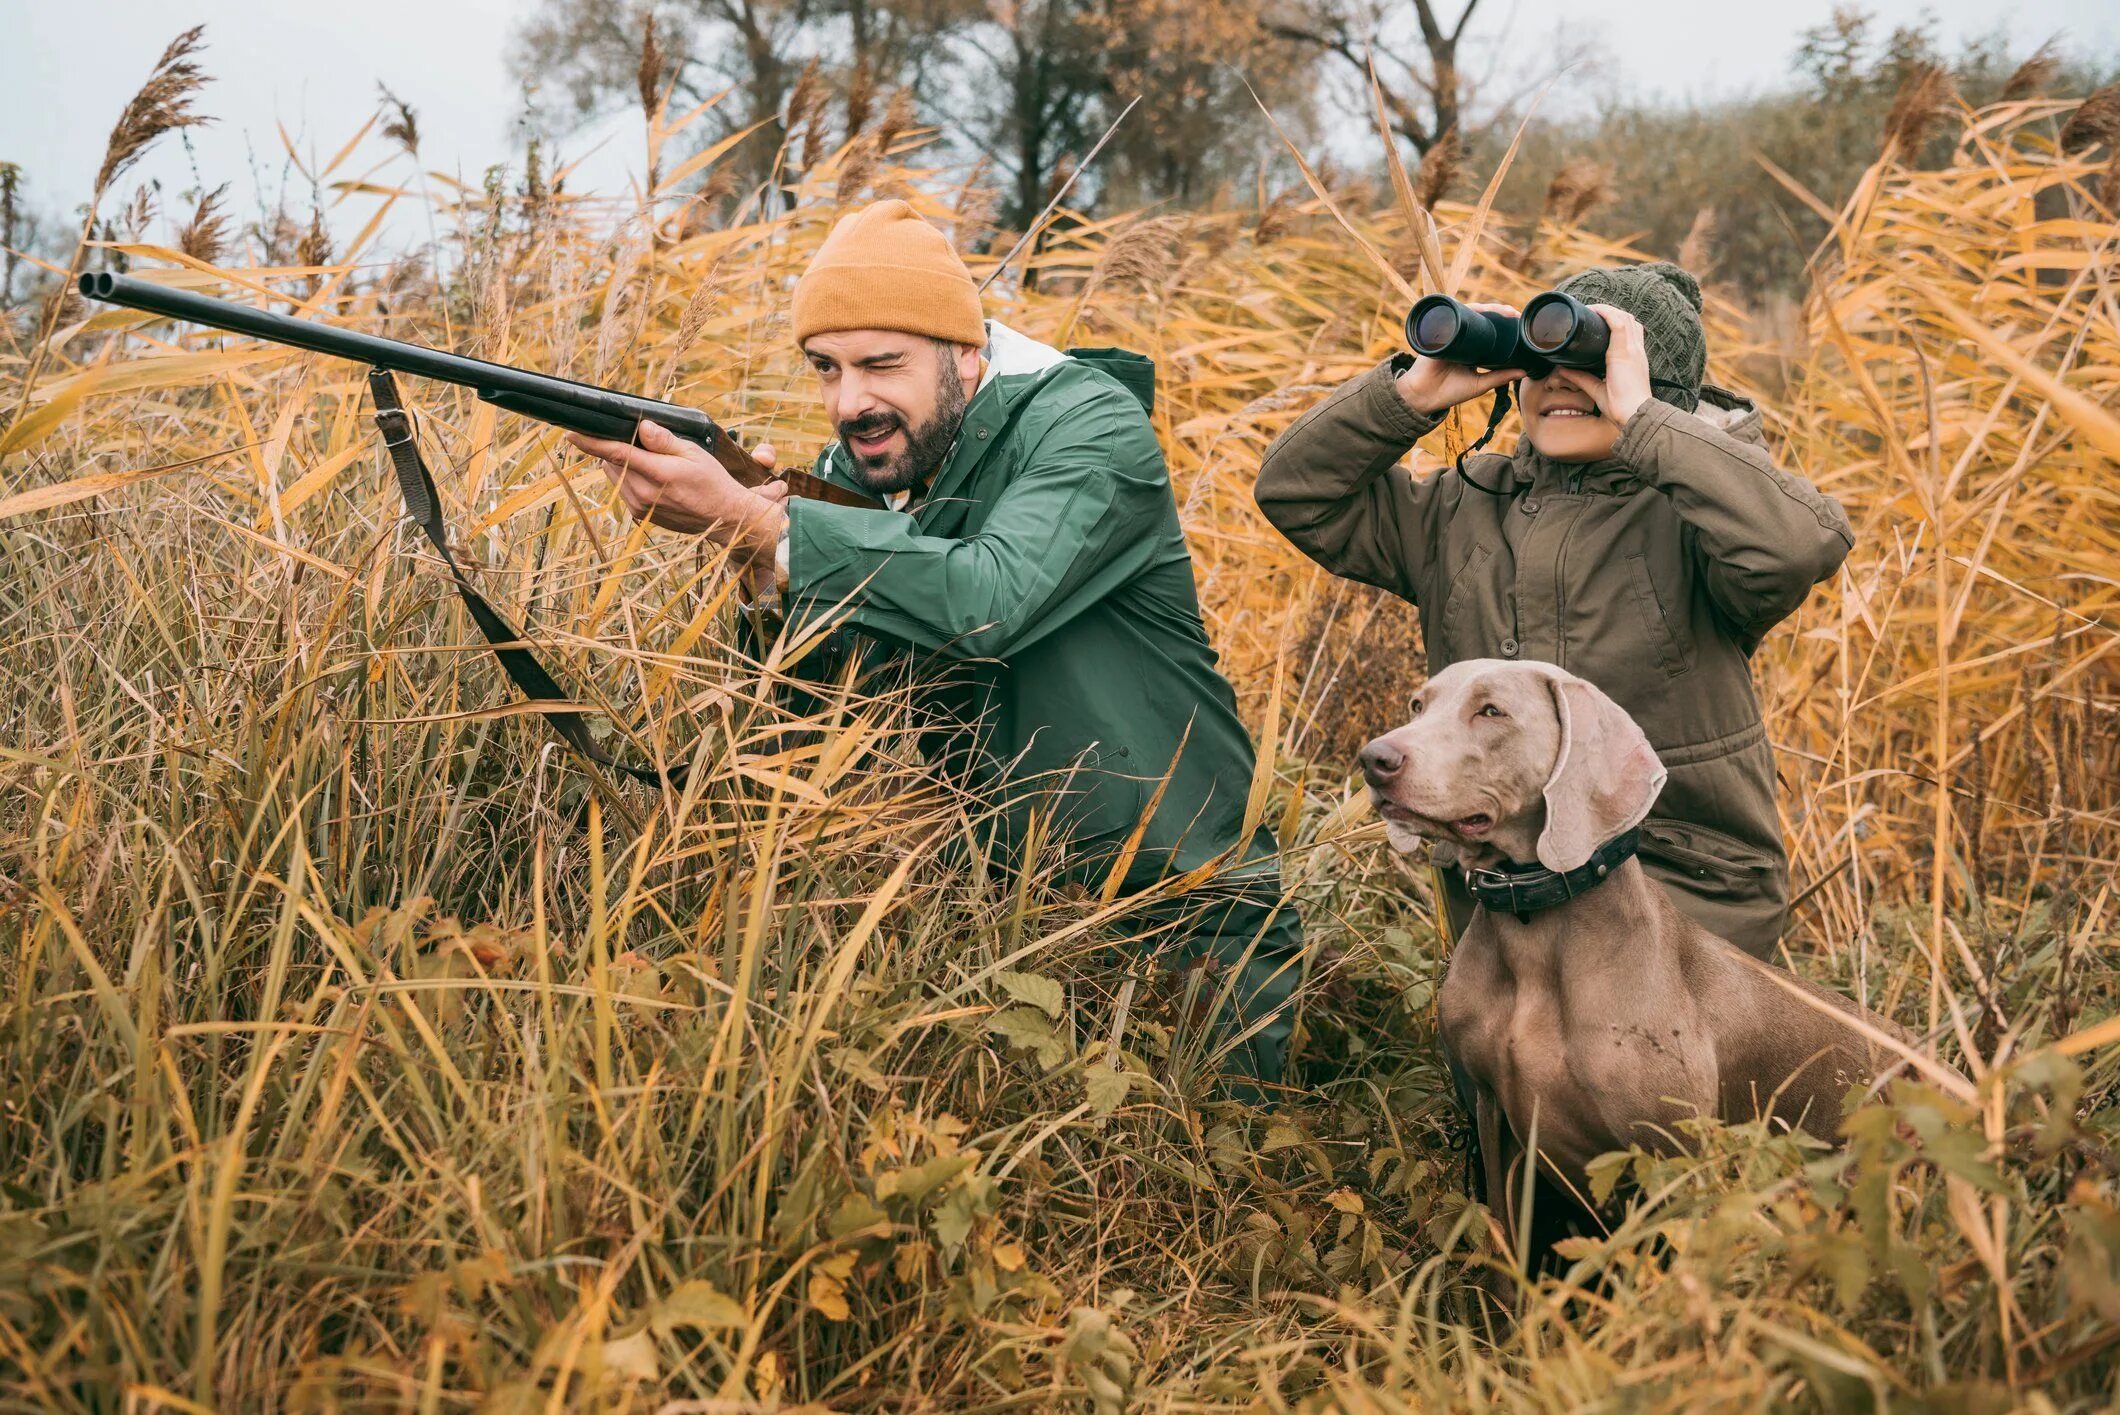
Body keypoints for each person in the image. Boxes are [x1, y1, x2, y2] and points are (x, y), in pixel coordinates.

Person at [568, 199, 1304, 1089]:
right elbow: (806, 718)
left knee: (1220, 1200)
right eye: (826, 368)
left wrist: (767, 529)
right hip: (1000, 932)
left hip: (1176, 921)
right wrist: (757, 563)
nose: (850, 403)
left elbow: (987, 600)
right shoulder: (874, 467)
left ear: (967, 352)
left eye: (884, 364)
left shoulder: (1092, 428)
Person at [1254, 263, 1853, 958]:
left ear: (1655, 390)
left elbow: (1797, 544)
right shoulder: (1461, 508)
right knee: (1501, 1056)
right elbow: (1297, 493)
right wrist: (1410, 395)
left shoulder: (1694, 521)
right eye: (1539, 363)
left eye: (1593, 365)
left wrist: (1647, 424)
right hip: (1502, 892)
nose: (1561, 382)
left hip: (1675, 892)